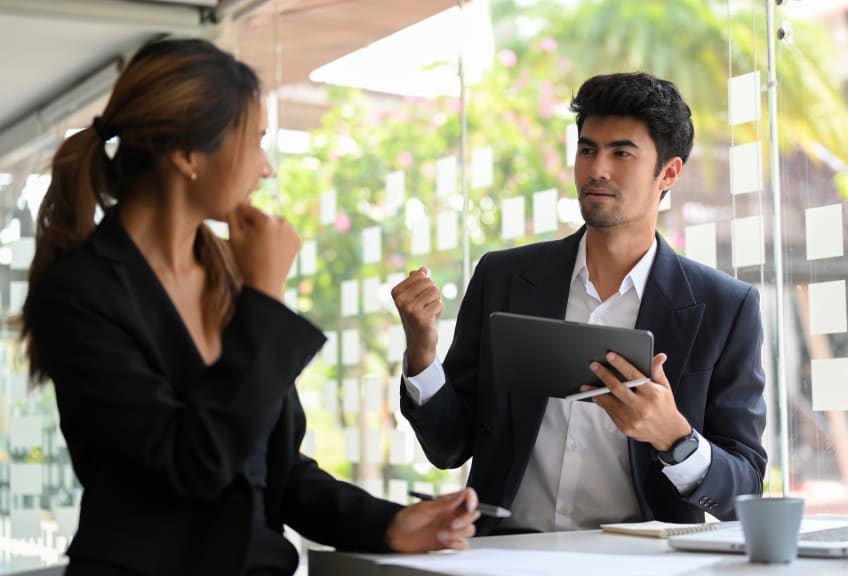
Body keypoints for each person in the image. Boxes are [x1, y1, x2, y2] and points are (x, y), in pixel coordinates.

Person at [20, 38, 478, 575]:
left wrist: (387, 522)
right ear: (187, 154)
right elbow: (194, 466)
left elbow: (275, 470)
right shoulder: (80, 295)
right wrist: (264, 297)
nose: (267, 169)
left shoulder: (227, 279)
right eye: (255, 142)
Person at [392, 72, 767, 535]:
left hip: (639, 566)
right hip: (506, 559)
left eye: (621, 153)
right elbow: (450, 446)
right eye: (587, 149)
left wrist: (676, 437)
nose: (597, 170)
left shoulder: (724, 308)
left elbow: (745, 493)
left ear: (668, 173)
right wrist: (423, 355)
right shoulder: (503, 278)